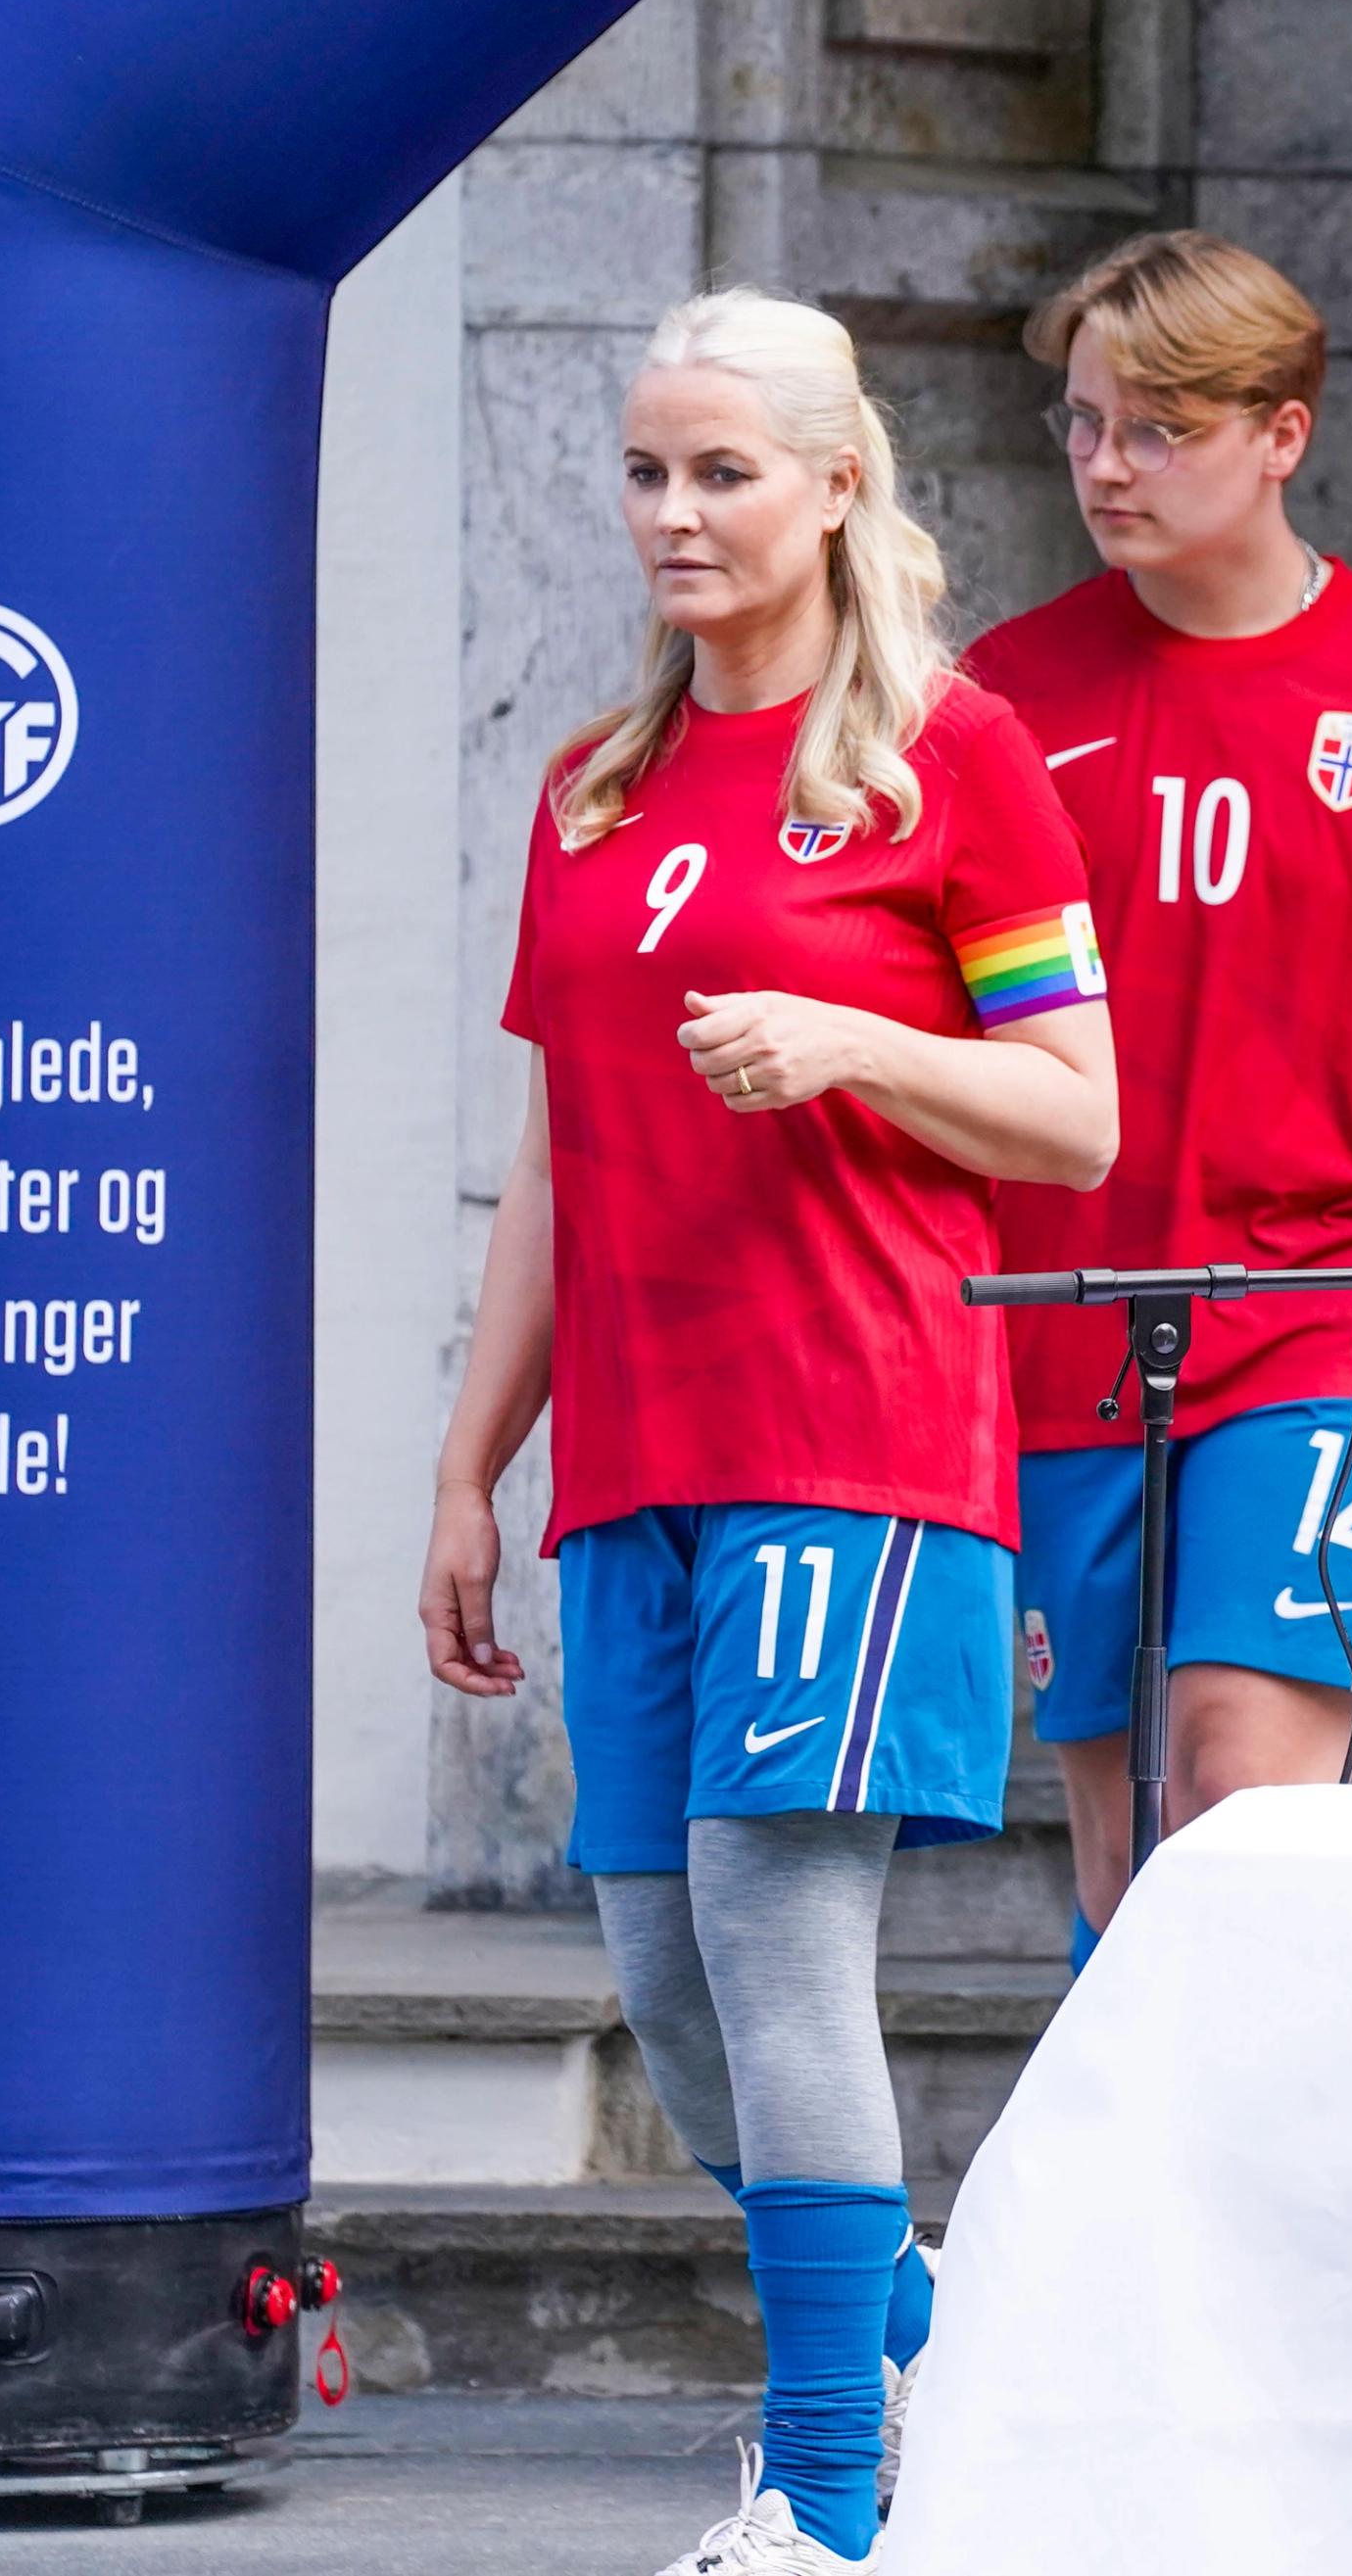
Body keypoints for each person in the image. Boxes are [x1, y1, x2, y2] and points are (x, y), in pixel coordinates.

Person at [419, 291, 1121, 2576]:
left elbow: (1078, 1113)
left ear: (836, 482)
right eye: (645, 470)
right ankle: (923, 2323)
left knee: (774, 1922)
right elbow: (556, 1158)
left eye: (721, 470)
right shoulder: (592, 788)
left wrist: (853, 1041)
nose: (675, 512)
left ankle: (831, 2495)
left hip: (857, 1426)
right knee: (664, 1982)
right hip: (635, 1455)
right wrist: (469, 1466)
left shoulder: (952, 759)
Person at [962, 234, 1352, 1950]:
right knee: (1121, 1861)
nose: (1106, 466)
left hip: (1334, 1314)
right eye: (1085, 423)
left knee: (1240, 1795)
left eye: (1158, 429)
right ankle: (1180, 2140)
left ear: (1283, 433)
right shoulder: (1001, 700)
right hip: (1071, 1324)